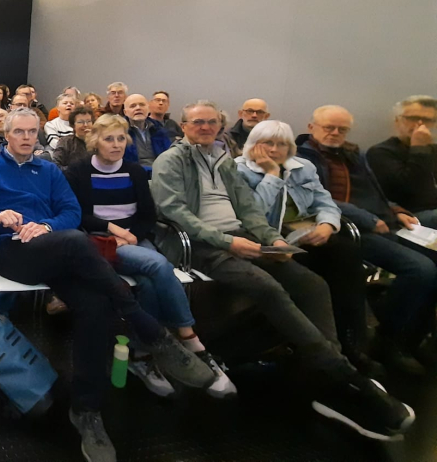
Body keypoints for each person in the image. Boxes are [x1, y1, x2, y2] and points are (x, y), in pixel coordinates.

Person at [0, 108, 214, 460]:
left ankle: (87, 411)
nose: (27, 138)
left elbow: (71, 213)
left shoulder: (48, 170)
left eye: (33, 131)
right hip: (12, 253)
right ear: (8, 134)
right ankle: (149, 329)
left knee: (96, 306)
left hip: (53, 249)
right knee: (78, 241)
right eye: (20, 132)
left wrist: (44, 226)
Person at [150, 100, 414, 440]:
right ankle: (345, 377)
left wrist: (273, 240)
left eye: (211, 122)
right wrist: (228, 243)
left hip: (242, 237)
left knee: (312, 284)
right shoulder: (170, 160)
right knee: (268, 288)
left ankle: (325, 377)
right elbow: (175, 212)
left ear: (219, 125)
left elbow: (248, 208)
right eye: (197, 122)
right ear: (183, 126)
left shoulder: (223, 160)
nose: (205, 127)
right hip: (202, 245)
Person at [67, 114, 234, 398]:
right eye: (109, 139)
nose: (116, 144)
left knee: (149, 281)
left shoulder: (134, 171)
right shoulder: (77, 172)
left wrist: (130, 234)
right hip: (98, 242)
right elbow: (78, 215)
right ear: (95, 141)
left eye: (121, 138)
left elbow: (146, 215)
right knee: (159, 264)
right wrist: (115, 232)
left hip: (133, 238)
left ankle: (141, 356)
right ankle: (189, 338)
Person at [297, 105, 437, 374]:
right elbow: (318, 198)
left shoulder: (354, 153)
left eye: (342, 129)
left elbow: (376, 191)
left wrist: (396, 209)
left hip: (384, 222)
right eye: (329, 127)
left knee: (433, 265)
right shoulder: (303, 158)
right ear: (312, 126)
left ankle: (410, 339)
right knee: (421, 270)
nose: (335, 133)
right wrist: (368, 218)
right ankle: (388, 338)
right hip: (353, 227)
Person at [235, 120, 374, 373]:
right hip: (267, 240)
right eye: (268, 143)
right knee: (320, 276)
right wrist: (271, 175)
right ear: (254, 145)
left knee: (347, 257)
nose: (275, 150)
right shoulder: (237, 171)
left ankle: (350, 343)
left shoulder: (303, 167)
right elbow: (251, 215)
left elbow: (326, 203)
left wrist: (327, 225)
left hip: (305, 234)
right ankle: (320, 349)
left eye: (282, 144)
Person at [367, 95, 437, 228]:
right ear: (397, 121)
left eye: (427, 120)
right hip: (410, 215)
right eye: (413, 118)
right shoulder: (381, 152)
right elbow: (408, 189)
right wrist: (419, 148)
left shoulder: (434, 150)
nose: (420, 124)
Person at [123, 94, 172, 170]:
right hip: (134, 174)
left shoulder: (158, 129)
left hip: (161, 173)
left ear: (148, 109)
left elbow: (169, 155)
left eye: (142, 105)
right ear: (125, 112)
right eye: (133, 106)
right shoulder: (121, 131)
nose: (138, 108)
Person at [52, 106, 95, 170]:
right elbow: (55, 165)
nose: (85, 125)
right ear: (73, 125)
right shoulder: (65, 142)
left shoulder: (98, 142)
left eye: (88, 121)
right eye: (80, 122)